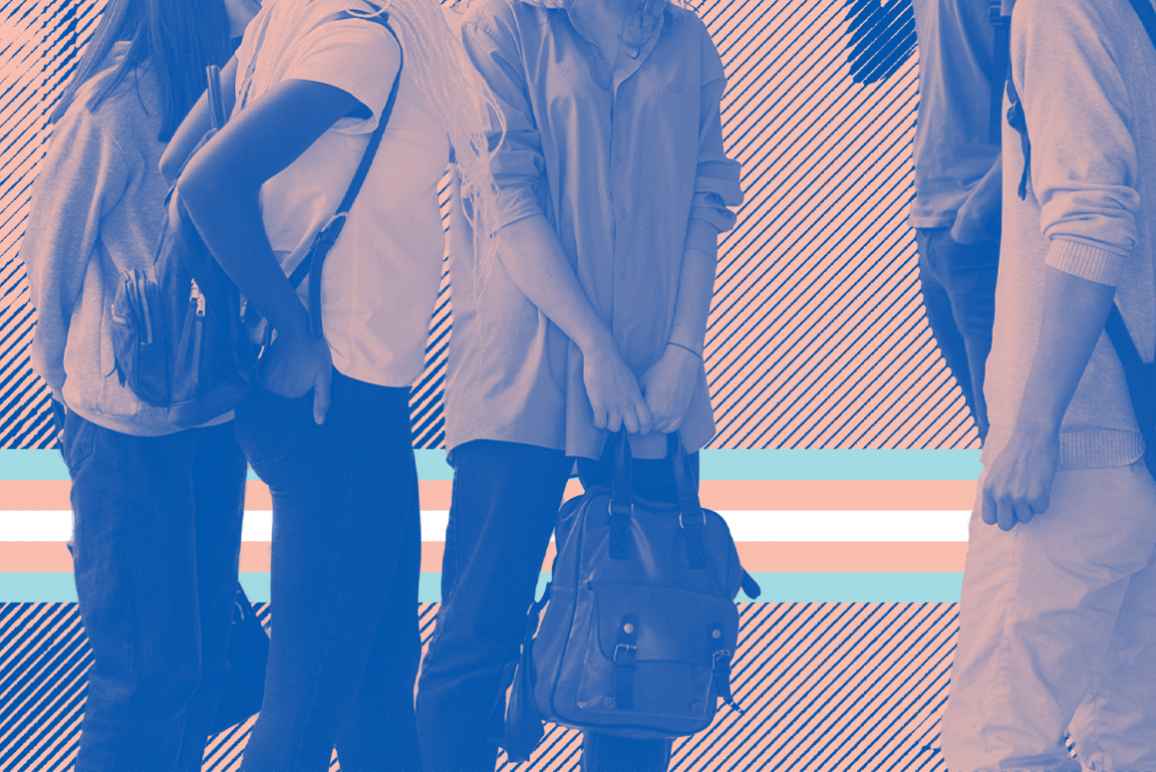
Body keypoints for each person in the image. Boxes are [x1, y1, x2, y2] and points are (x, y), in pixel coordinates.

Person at [416, 0, 743, 769]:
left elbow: (706, 200)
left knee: (649, 632)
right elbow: (507, 200)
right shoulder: (499, 29)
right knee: (478, 636)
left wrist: (682, 353)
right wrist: (594, 346)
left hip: (653, 383)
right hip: (524, 368)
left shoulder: (685, 39)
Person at [166, 1, 490, 768]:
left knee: (376, 682)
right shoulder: (359, 43)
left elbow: (174, 162)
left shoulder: (295, 24)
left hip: (357, 400)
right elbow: (204, 182)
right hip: (333, 396)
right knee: (308, 703)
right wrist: (298, 328)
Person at [20, 0, 258, 768]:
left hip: (210, 421)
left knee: (202, 665)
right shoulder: (118, 104)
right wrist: (74, 392)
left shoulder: (240, 90)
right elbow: (50, 253)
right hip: (123, 434)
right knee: (141, 677)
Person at [941, 0, 1156, 768]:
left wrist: (1035, 431)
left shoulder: (1061, 10)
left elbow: (1094, 224)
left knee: (996, 746)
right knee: (1129, 743)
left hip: (1078, 450)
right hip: (1142, 451)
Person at [850, 0, 1004, 440]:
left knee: (1010, 443)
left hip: (989, 227)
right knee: (993, 440)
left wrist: (976, 217)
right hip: (937, 227)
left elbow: (1045, 99)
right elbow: (870, 61)